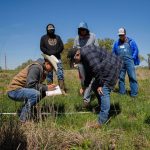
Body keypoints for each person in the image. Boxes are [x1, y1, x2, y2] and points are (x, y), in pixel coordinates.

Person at [71, 45, 123, 128]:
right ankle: (101, 106)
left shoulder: (87, 53)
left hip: (112, 66)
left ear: (77, 54)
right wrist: (84, 87)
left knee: (103, 91)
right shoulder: (84, 57)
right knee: (95, 86)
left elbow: (97, 68)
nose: (75, 62)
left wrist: (101, 84)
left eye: (74, 60)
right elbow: (89, 74)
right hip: (105, 67)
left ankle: (101, 122)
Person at [7, 54, 59, 123]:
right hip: (14, 91)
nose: (52, 70)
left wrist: (48, 87)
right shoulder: (36, 68)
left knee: (43, 92)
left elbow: (35, 84)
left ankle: (27, 109)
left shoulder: (42, 69)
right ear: (47, 63)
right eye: (52, 67)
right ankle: (23, 120)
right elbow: (31, 85)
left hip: (22, 89)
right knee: (36, 94)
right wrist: (46, 87)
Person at [73, 21, 99, 106]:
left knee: (90, 80)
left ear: (87, 29)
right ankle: (85, 90)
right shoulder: (77, 38)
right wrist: (75, 60)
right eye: (80, 30)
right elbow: (74, 50)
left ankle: (86, 100)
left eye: (84, 30)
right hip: (81, 62)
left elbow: (97, 48)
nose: (82, 31)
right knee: (83, 80)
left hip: (90, 62)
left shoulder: (93, 36)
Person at [113, 27, 140, 97]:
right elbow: (114, 53)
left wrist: (132, 58)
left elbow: (136, 50)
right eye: (120, 35)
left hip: (129, 61)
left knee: (132, 77)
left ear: (125, 34)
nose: (121, 36)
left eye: (122, 35)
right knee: (121, 77)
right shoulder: (116, 43)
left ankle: (134, 94)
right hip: (120, 62)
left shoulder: (131, 41)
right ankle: (122, 93)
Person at [40, 23, 66, 93]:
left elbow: (61, 47)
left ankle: (62, 90)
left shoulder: (58, 37)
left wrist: (55, 52)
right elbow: (42, 47)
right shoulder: (43, 38)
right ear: (47, 30)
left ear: (54, 29)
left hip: (57, 58)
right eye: (49, 30)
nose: (51, 31)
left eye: (52, 29)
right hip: (48, 59)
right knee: (49, 74)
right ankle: (50, 90)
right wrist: (49, 53)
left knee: (60, 73)